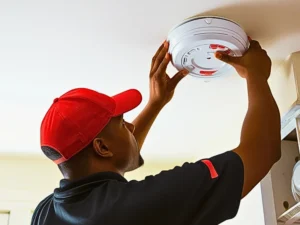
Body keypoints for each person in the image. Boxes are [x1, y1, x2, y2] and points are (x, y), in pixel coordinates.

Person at [31, 40, 281, 225]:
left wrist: (155, 104)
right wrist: (256, 76)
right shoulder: (134, 206)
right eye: (122, 123)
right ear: (102, 148)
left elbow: (113, 161)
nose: (130, 126)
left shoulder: (46, 214)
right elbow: (262, 151)